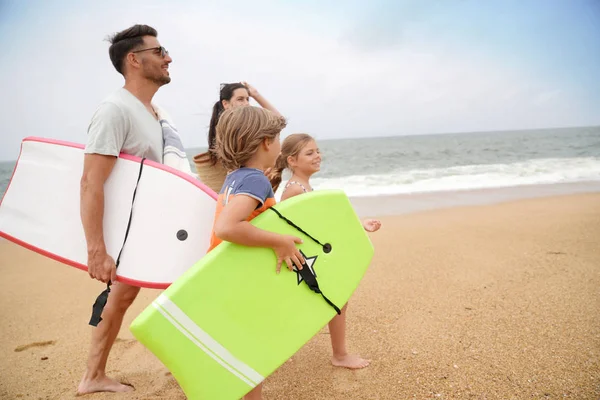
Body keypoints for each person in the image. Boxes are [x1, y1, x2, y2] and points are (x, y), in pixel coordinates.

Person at [78, 24, 181, 394]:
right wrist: (97, 250)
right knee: (127, 296)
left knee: (122, 297)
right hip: (128, 235)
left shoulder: (154, 113)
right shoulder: (114, 110)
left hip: (151, 228)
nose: (168, 57)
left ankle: (92, 376)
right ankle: (92, 376)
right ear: (134, 60)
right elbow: (92, 181)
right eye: (160, 51)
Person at [209, 106, 304, 400]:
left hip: (225, 275)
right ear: (265, 142)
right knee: (254, 349)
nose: (279, 145)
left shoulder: (236, 176)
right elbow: (227, 227)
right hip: (242, 281)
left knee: (242, 348)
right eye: (277, 138)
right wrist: (278, 241)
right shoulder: (255, 180)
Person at [269, 133, 382, 369]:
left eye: (317, 151)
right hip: (301, 261)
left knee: (338, 300)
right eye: (310, 153)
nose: (318, 156)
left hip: (308, 258)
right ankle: (339, 355)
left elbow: (322, 222)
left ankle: (337, 353)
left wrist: (359, 224)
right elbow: (283, 227)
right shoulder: (295, 190)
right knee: (336, 299)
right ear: (292, 161)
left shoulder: (303, 186)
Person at [194, 82, 280, 193]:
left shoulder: (243, 125)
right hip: (241, 187)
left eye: (247, 99)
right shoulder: (230, 128)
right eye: (240, 99)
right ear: (225, 103)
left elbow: (278, 122)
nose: (246, 103)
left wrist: (255, 94)